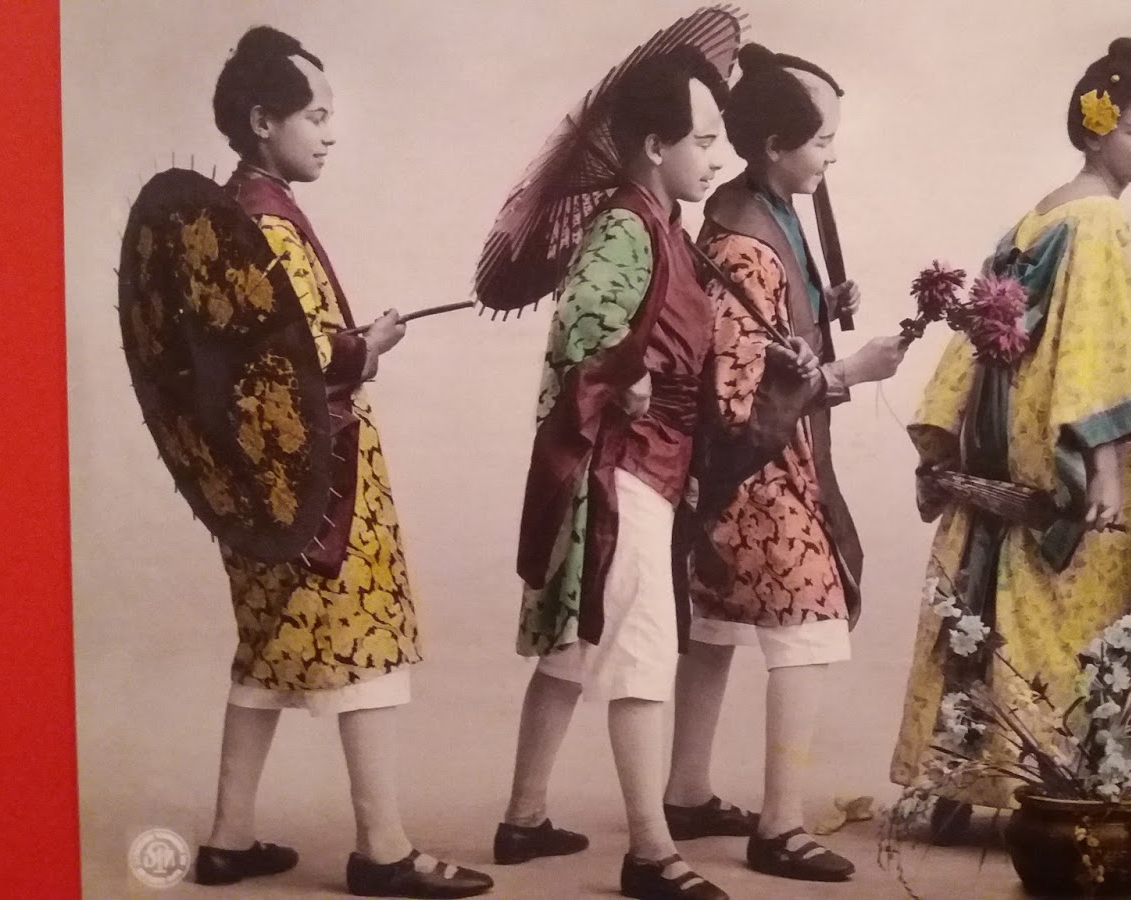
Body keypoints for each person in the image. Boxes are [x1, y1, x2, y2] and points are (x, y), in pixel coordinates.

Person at [201, 26, 492, 898]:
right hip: (317, 482)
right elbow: (299, 356)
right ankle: (384, 851)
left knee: (266, 650)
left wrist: (351, 342)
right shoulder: (267, 224)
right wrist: (368, 348)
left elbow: (255, 350)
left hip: (253, 482)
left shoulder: (228, 215)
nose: (331, 133)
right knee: (366, 644)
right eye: (317, 116)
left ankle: (227, 839)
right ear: (263, 121)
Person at [889, 37, 1131, 840]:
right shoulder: (1099, 218)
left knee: (997, 585)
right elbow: (1095, 338)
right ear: (1097, 129)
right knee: (1083, 593)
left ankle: (962, 775)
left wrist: (955, 432)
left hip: (1009, 421)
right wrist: (1104, 461)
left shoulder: (1042, 211)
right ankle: (1063, 774)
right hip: (1062, 427)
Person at [661, 43, 908, 883]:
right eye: (823, 140)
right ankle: (780, 826)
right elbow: (735, 395)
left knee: (716, 627)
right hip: (753, 473)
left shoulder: (755, 208)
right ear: (774, 145)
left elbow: (767, 331)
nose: (832, 155)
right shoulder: (745, 242)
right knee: (807, 622)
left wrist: (817, 306)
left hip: (751, 465)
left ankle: (687, 792)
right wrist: (848, 370)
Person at [497, 46, 732, 900]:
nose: (718, 157)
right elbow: (582, 331)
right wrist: (624, 373)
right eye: (704, 140)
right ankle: (650, 852)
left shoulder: (661, 224)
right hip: (622, 468)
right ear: (655, 147)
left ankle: (523, 818)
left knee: (575, 645)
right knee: (641, 651)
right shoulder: (628, 226)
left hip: (651, 463)